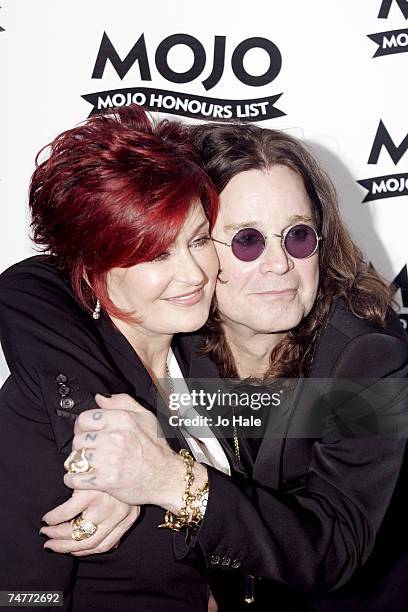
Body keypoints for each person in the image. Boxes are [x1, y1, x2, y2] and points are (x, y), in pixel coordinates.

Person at [1, 119, 407, 611]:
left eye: (298, 236)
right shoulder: (172, 337)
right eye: (246, 240)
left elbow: (331, 548)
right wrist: (92, 445)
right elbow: (32, 282)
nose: (279, 263)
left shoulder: (363, 358)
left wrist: (164, 478)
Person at [0, 104, 229, 611]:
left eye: (197, 240)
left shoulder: (206, 362)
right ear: (95, 267)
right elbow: (22, 594)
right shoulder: (40, 402)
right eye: (156, 255)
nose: (193, 274)